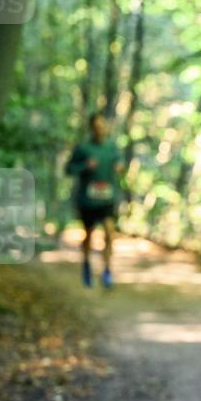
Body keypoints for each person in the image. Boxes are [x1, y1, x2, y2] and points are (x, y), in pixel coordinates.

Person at [66, 113, 123, 288]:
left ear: (105, 127)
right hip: (88, 200)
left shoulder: (112, 148)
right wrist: (85, 166)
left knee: (109, 233)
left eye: (102, 126)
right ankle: (86, 264)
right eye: (96, 126)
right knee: (89, 234)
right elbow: (69, 169)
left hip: (107, 199)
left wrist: (119, 167)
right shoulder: (83, 148)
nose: (100, 129)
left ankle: (107, 271)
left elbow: (119, 163)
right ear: (92, 128)